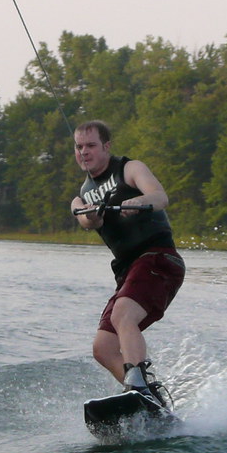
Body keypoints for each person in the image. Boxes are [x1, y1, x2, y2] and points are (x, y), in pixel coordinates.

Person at [70, 120, 185, 408]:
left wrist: (140, 202)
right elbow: (86, 219)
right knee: (103, 348)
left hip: (159, 258)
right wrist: (93, 215)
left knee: (123, 314)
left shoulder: (130, 169)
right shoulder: (79, 197)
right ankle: (150, 398)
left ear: (106, 147)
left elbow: (160, 197)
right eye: (79, 147)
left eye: (91, 145)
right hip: (128, 272)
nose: (84, 152)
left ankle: (139, 388)